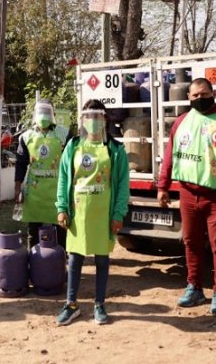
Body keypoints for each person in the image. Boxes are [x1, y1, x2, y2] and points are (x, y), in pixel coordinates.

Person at [157, 77, 216, 315]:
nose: (200, 99)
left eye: (204, 94)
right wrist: (163, 186)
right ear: (188, 98)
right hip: (188, 194)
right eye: (195, 96)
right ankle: (194, 288)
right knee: (190, 242)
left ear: (214, 93)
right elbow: (170, 155)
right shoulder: (182, 121)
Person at [55, 99, 129, 326]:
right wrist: (61, 207)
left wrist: (118, 213)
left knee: (102, 259)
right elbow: (64, 177)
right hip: (78, 212)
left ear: (105, 119)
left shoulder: (115, 150)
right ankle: (71, 304)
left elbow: (123, 185)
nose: (93, 121)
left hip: (103, 215)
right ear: (83, 120)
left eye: (97, 116)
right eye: (88, 116)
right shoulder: (74, 146)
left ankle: (99, 304)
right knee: (75, 258)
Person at [14, 100, 71, 249]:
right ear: (35, 115)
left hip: (57, 191)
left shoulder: (64, 134)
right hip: (34, 192)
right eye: (41, 112)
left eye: (47, 112)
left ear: (53, 114)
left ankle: (60, 260)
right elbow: (20, 163)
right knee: (33, 230)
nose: (44, 116)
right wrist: (17, 186)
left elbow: (72, 162)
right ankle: (32, 260)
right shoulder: (26, 136)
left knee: (60, 227)